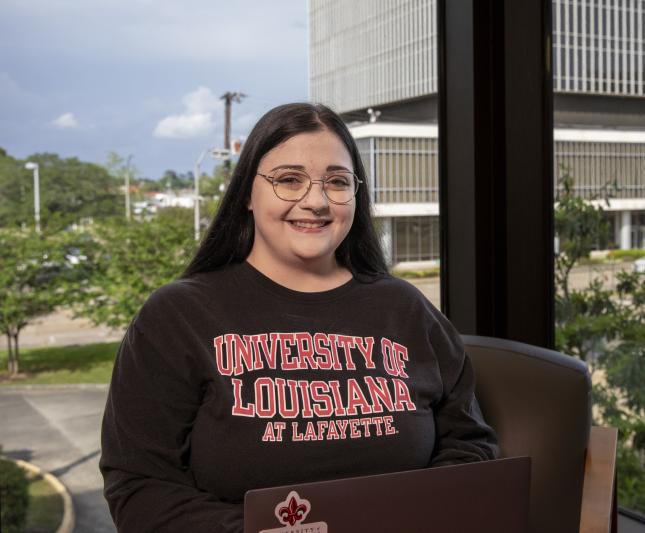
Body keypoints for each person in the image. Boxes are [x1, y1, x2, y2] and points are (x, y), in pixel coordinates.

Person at [99, 103, 498, 532]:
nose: (316, 201)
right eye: (289, 180)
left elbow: (469, 443)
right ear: (247, 195)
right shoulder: (176, 317)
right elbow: (140, 486)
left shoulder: (406, 309)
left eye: (337, 182)